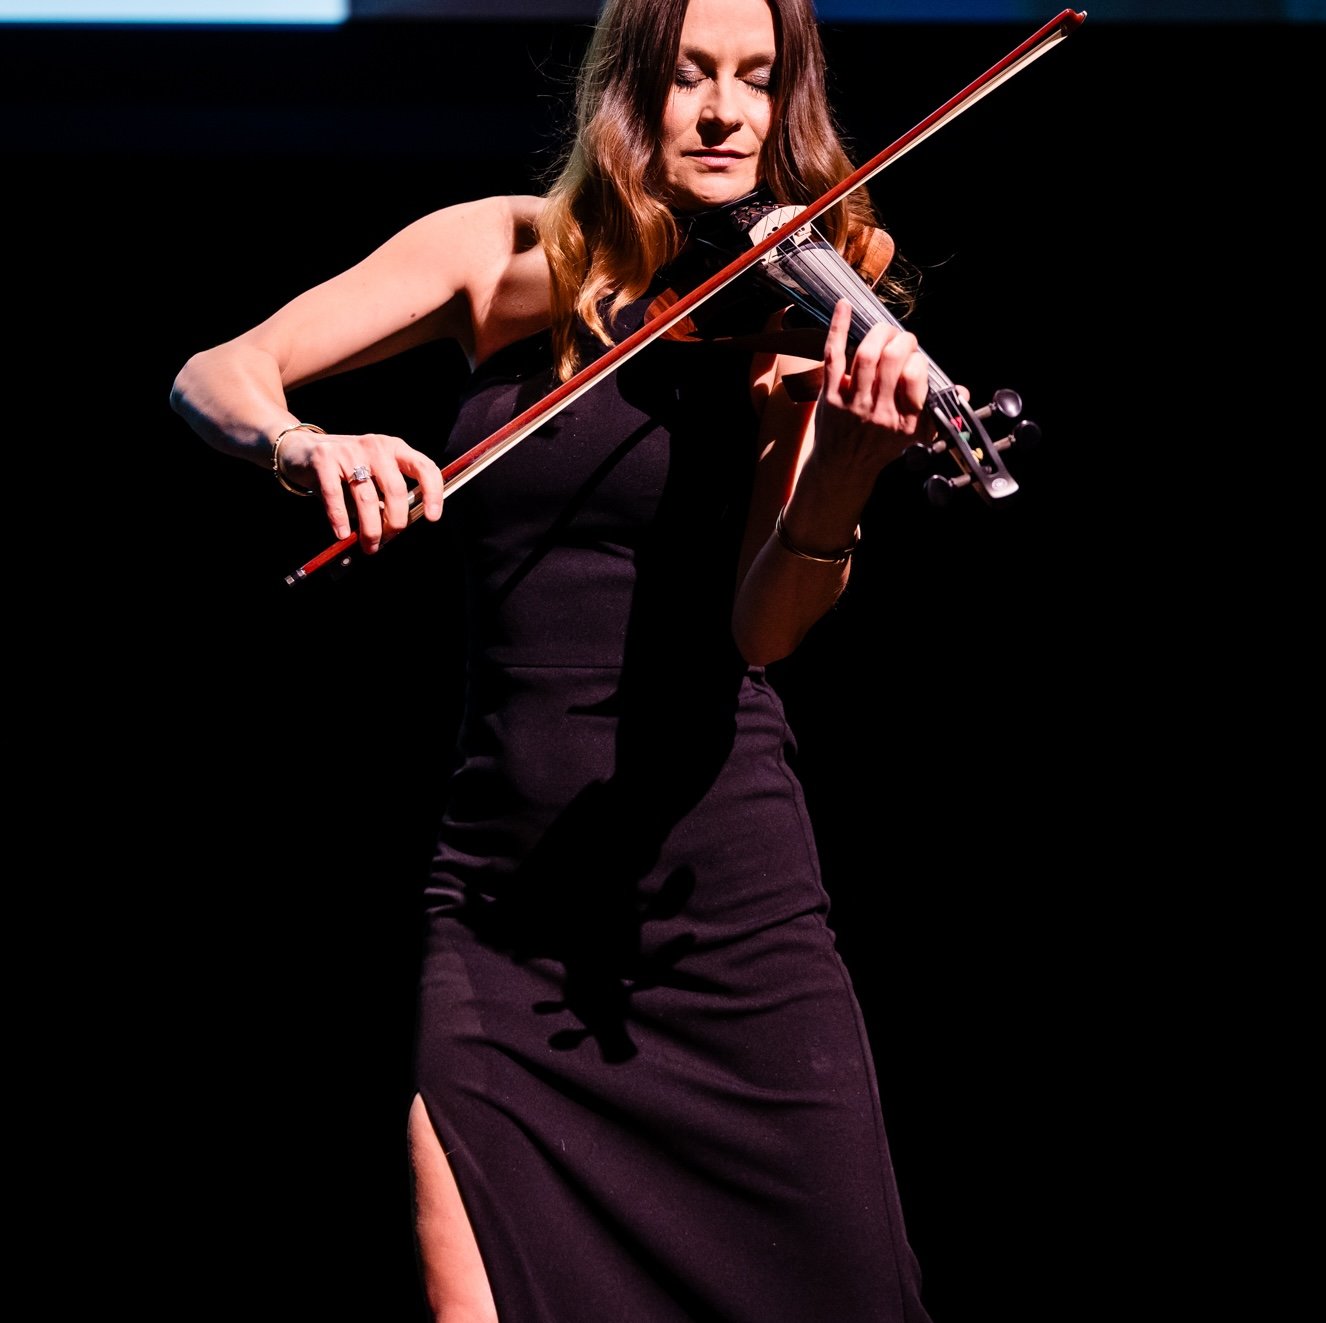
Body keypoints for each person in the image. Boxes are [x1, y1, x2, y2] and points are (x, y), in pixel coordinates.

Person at [170, 1, 941, 1319]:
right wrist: (304, 447)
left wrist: (841, 485)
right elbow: (220, 370)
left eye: (757, 81)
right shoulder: (496, 252)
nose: (723, 112)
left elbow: (762, 633)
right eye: (689, 74)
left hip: (723, 908)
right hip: (502, 901)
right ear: (619, 92)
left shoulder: (800, 304)